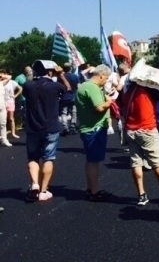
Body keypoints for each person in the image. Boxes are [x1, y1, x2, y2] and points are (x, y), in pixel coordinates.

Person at [120, 62, 159, 206]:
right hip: (147, 129)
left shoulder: (127, 89)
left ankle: (141, 195)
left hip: (130, 129)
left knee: (136, 162)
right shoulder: (148, 88)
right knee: (158, 162)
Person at [23, 61, 70, 201]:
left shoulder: (28, 85)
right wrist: (61, 74)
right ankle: (43, 190)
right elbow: (68, 89)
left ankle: (35, 185)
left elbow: (27, 93)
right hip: (50, 126)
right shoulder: (54, 86)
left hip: (32, 127)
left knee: (33, 158)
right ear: (50, 71)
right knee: (48, 158)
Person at [75, 64, 113, 202]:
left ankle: (91, 188)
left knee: (91, 160)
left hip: (88, 127)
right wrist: (109, 101)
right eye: (107, 78)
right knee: (93, 161)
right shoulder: (92, 87)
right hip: (94, 128)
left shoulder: (85, 86)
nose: (106, 80)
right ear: (101, 75)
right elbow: (99, 107)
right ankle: (95, 191)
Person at [59, 63, 80, 136]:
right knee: (74, 111)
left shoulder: (61, 77)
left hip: (64, 96)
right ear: (70, 68)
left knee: (64, 112)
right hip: (73, 96)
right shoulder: (75, 76)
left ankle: (65, 127)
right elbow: (78, 87)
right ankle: (73, 126)